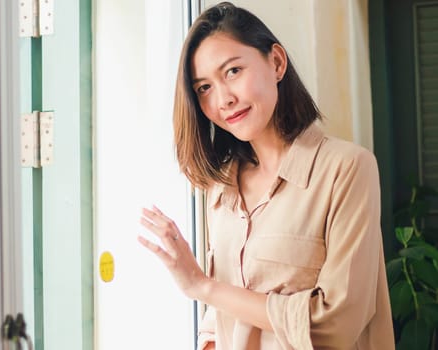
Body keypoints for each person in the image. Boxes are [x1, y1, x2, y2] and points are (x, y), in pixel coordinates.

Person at [138, 2, 395, 349]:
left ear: (276, 62)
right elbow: (221, 319)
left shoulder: (347, 169)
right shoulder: (221, 191)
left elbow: (335, 323)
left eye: (232, 72)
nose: (224, 99)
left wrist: (201, 286)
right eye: (204, 88)